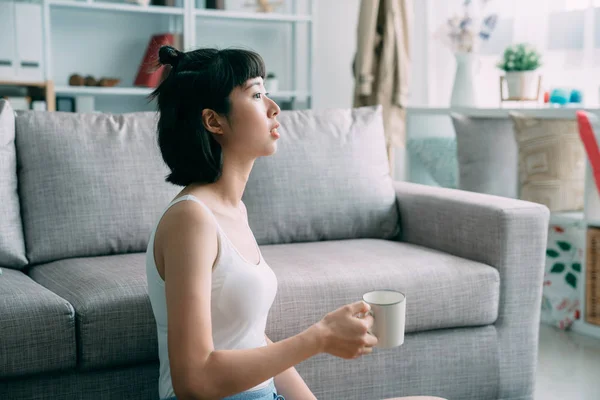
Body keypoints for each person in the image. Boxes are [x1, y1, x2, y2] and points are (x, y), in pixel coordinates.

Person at [145, 46, 377, 400]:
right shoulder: (190, 220)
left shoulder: (234, 211)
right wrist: (320, 337)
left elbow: (249, 337)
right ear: (213, 121)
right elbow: (194, 382)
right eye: (256, 94)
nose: (274, 107)